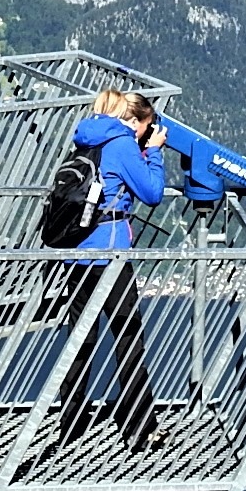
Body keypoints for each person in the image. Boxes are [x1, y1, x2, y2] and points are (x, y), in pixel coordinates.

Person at [52, 90, 168, 450]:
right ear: (134, 121)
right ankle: (140, 427)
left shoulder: (87, 137)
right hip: (109, 254)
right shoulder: (121, 144)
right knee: (129, 337)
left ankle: (69, 425)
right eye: (144, 128)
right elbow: (151, 193)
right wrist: (155, 153)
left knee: (81, 339)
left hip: (76, 253)